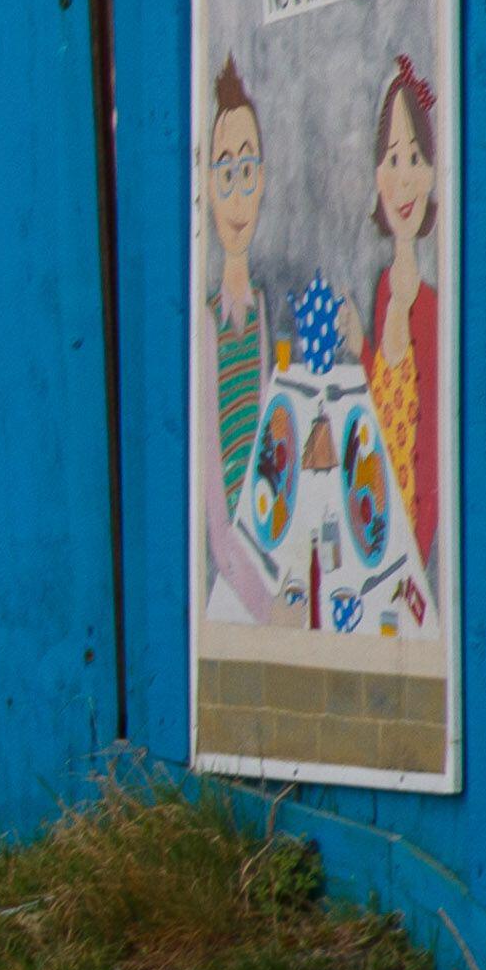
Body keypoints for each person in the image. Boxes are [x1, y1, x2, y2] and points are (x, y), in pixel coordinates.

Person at [361, 56, 445, 615]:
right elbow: (379, 389)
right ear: (378, 176)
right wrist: (357, 347)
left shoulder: (432, 306)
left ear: (434, 171)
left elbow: (431, 435)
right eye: (394, 159)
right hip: (372, 516)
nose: (406, 175)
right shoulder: (383, 287)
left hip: (410, 533)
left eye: (416, 157)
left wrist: (413, 550)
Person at [201, 57, 281, 615]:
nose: (237, 193)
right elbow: (218, 527)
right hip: (236, 590)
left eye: (247, 170)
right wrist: (268, 608)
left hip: (266, 545)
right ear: (207, 185)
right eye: (225, 172)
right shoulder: (207, 327)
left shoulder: (260, 313)